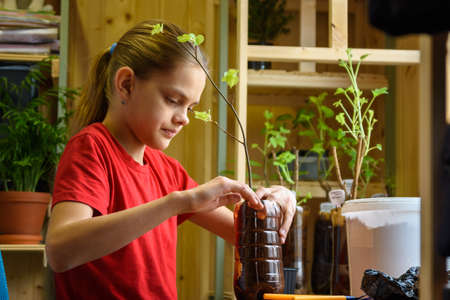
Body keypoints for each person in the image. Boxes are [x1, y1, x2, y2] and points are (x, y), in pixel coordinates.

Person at [45, 20, 296, 300]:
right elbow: (59, 252)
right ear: (126, 85)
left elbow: (242, 233)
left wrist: (276, 204)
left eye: (190, 107)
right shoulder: (92, 148)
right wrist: (177, 203)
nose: (184, 118)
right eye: (173, 99)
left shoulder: (167, 171)